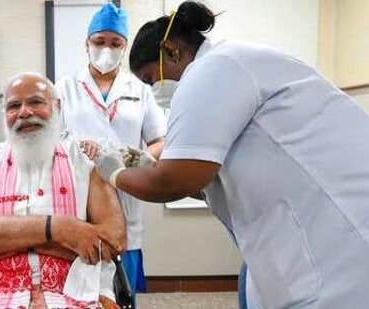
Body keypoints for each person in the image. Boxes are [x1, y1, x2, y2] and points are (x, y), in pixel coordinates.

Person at [94, 1, 369, 308]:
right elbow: (211, 181)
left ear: (171, 51)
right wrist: (147, 166)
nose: (155, 89)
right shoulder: (233, 63)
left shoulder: (213, 69)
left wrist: (115, 174)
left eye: (150, 79)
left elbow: (173, 182)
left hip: (337, 246)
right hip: (293, 229)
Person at [0, 72, 126, 309]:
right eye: (14, 106)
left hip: (76, 287)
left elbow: (113, 239)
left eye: (36, 102)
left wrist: (3, 244)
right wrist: (59, 229)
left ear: (57, 107)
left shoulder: (86, 161)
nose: (24, 112)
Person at [56, 3, 167, 300]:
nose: (106, 49)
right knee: (78, 290)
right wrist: (75, 149)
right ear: (87, 44)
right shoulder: (65, 88)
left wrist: (131, 156)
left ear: (124, 46)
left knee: (122, 291)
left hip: (126, 195)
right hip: (78, 198)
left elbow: (161, 141)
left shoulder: (140, 89)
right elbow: (52, 142)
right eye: (99, 41)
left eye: (115, 43)